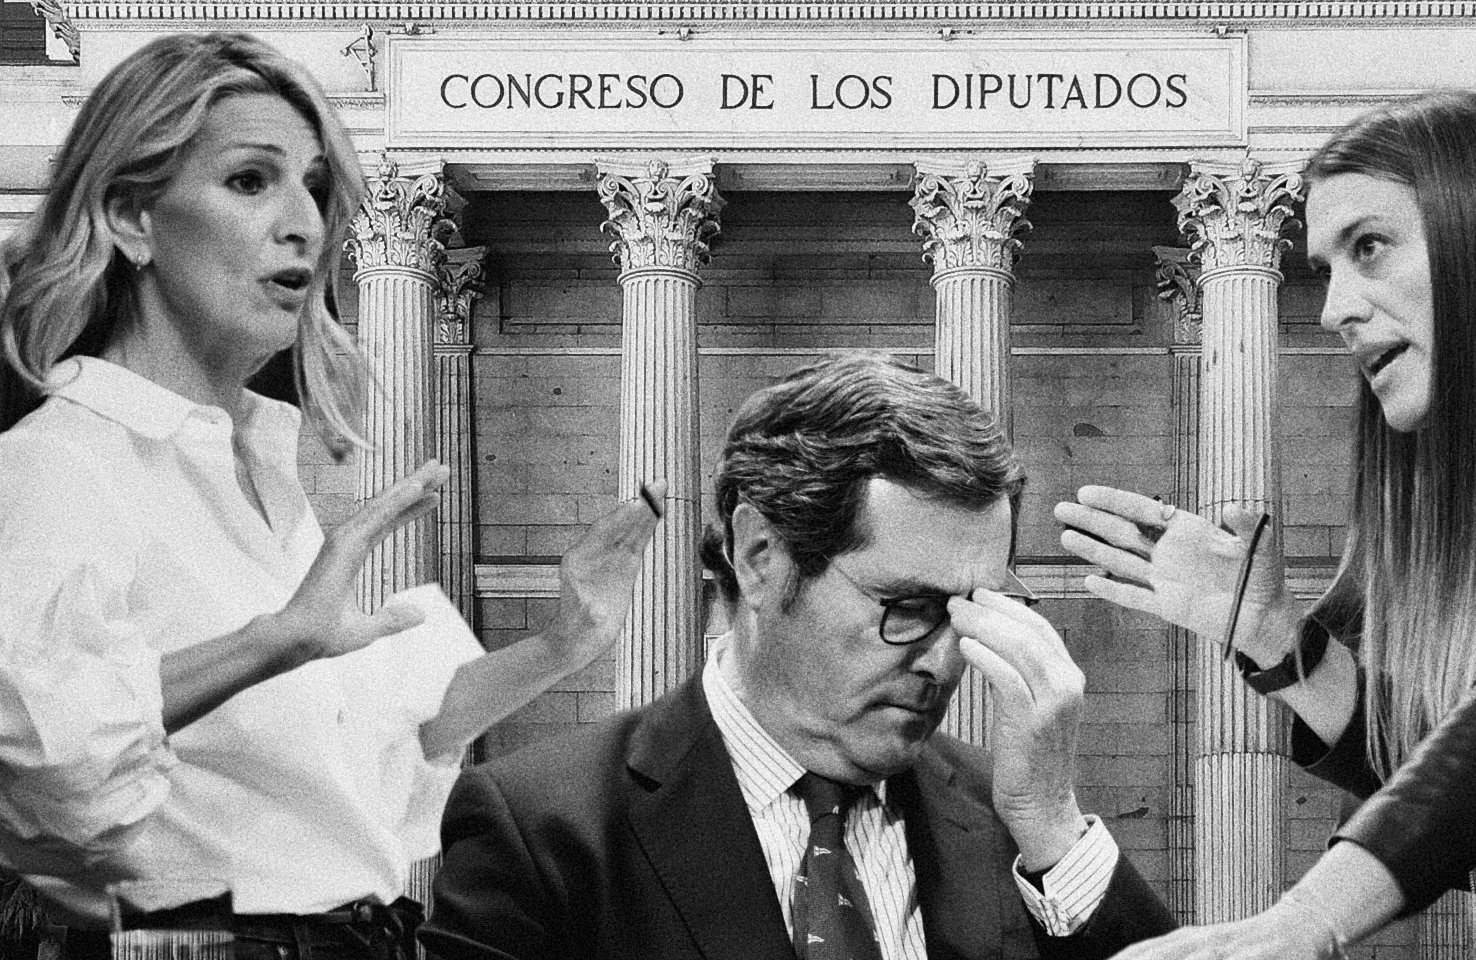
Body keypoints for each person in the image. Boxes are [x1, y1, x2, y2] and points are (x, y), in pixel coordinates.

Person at [0, 32, 662, 959]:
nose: (306, 225)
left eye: (313, 186)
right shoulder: (61, 462)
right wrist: (271, 642)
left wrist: (565, 642)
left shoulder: (253, 470)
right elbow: (30, 747)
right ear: (130, 217)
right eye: (249, 181)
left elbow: (379, 739)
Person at [1056, 91, 1476, 960]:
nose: (1332, 310)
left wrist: (1299, 923)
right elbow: (1455, 772)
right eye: (1327, 267)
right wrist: (1272, 634)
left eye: (1368, 247)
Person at [420, 352, 1178, 960]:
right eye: (908, 606)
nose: (947, 661)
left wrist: (1051, 825)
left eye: (976, 611)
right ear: (760, 556)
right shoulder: (542, 830)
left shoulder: (1017, 819)